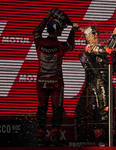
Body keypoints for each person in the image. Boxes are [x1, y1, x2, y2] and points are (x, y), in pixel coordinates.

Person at [33, 9, 79, 147]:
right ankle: (54, 139)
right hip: (56, 85)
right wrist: (73, 31)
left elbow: (35, 32)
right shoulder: (61, 46)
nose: (61, 31)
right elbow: (71, 45)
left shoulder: (39, 43)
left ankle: (40, 139)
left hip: (41, 83)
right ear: (56, 31)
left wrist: (46, 18)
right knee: (57, 110)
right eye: (61, 30)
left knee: (42, 110)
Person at [78, 26, 116, 146]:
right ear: (87, 38)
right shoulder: (89, 47)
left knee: (113, 111)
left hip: (107, 81)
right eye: (93, 34)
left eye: (97, 32)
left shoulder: (97, 49)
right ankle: (100, 140)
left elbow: (108, 65)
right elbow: (108, 50)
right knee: (103, 110)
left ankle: (111, 139)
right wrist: (115, 35)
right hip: (99, 83)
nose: (96, 35)